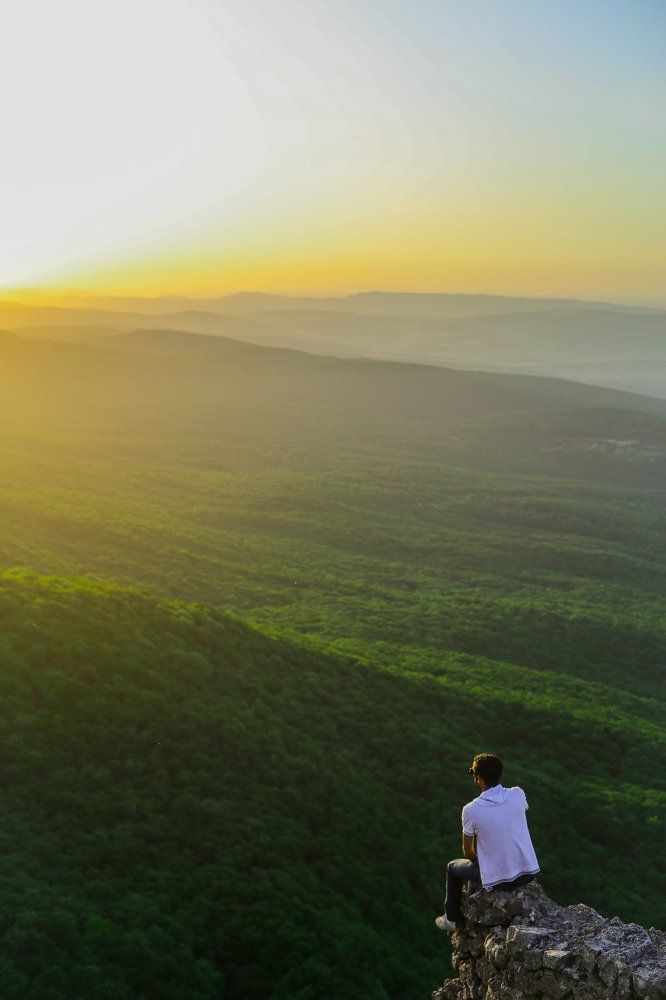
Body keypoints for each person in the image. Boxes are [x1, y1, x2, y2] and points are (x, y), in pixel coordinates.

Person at [435, 753, 540, 932]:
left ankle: (451, 919)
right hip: (526, 873)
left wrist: (481, 862)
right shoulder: (517, 793)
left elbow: (468, 851)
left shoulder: (471, 809)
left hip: (498, 881)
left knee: (452, 867)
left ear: (478, 778)